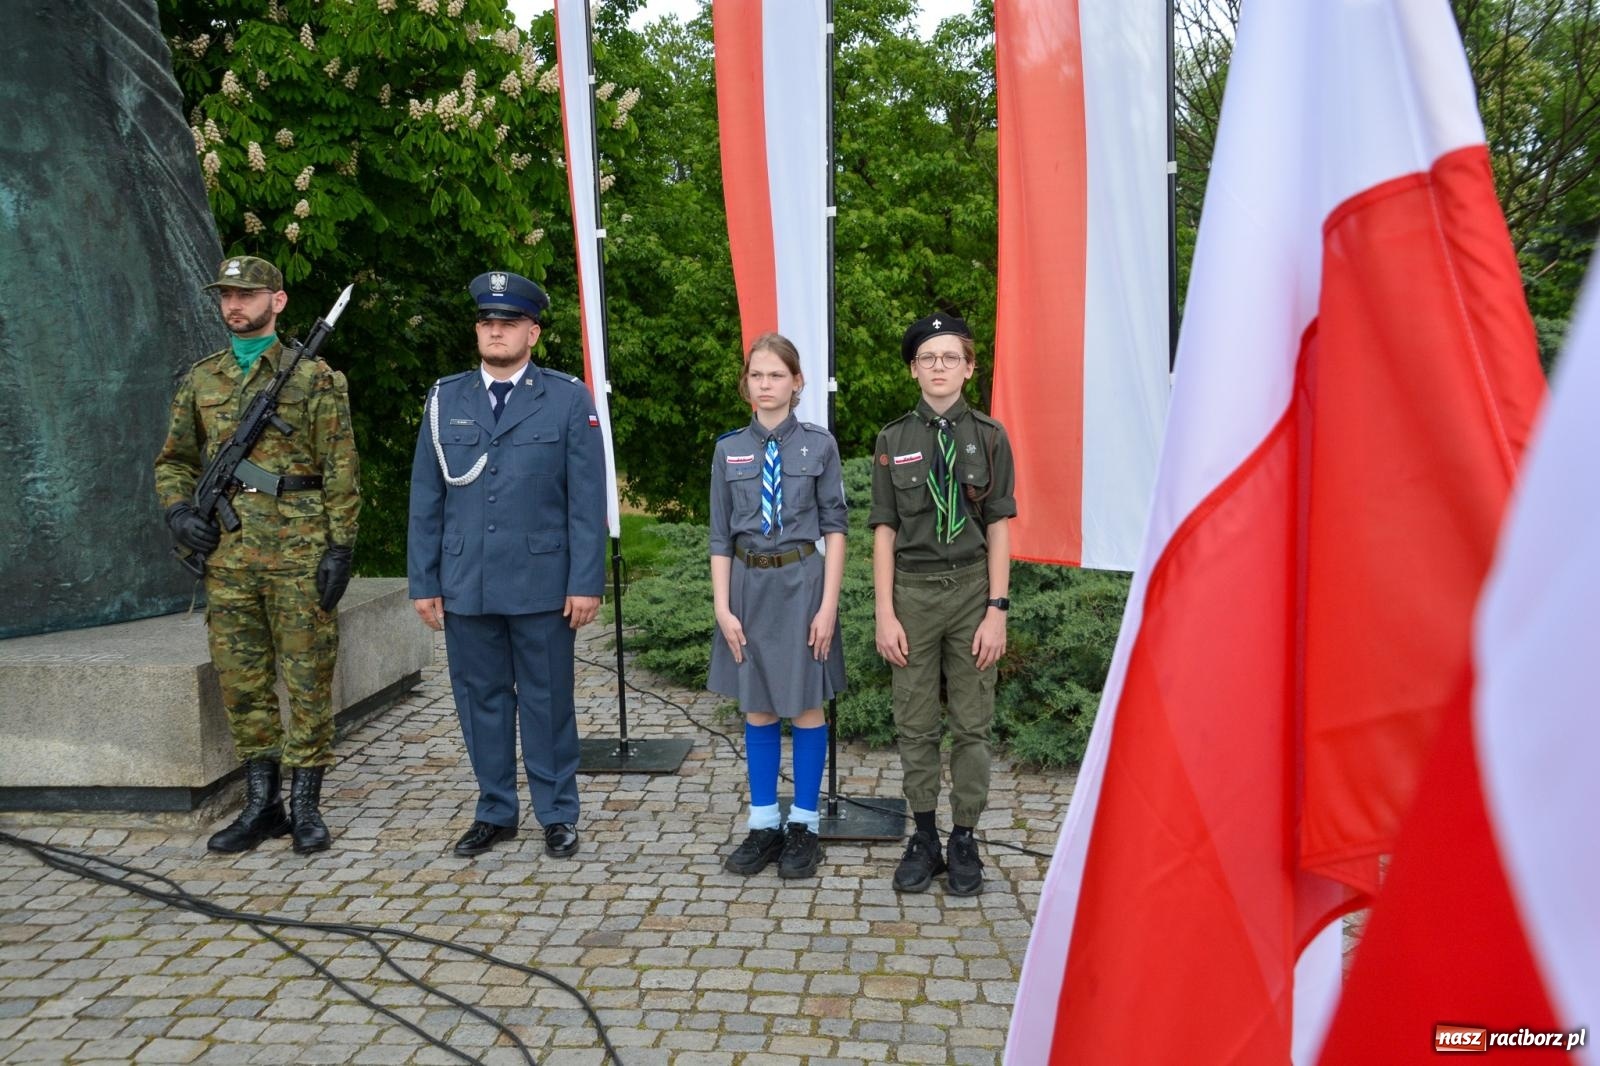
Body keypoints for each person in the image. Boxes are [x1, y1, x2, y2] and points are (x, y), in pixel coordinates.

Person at [154, 254, 361, 856]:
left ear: (278, 301)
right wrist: (179, 512)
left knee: (307, 676)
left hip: (299, 549)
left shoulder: (315, 378)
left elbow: (342, 470)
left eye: (247, 295)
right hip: (228, 556)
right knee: (242, 682)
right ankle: (261, 804)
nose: (234, 306)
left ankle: (306, 805)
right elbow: (174, 461)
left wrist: (341, 547)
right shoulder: (203, 379)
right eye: (226, 296)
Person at [407, 270, 606, 860]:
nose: (497, 332)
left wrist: (585, 581)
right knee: (480, 700)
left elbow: (586, 500)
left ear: (533, 333)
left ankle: (557, 813)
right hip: (467, 582)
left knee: (548, 701)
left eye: (509, 323)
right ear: (477, 331)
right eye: (488, 323)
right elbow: (426, 497)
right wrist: (425, 580)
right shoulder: (446, 399)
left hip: (544, 584)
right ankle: (495, 809)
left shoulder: (567, 398)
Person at [870, 313, 1015, 896]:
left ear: (969, 367)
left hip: (972, 592)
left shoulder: (991, 436)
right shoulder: (892, 439)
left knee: (972, 726)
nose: (938, 367)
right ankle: (924, 833)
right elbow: (883, 528)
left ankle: (964, 838)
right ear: (913, 369)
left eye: (950, 357)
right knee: (915, 723)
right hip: (913, 594)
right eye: (928, 358)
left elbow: (1000, 525)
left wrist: (998, 608)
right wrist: (885, 610)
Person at [709, 333, 847, 880]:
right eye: (756, 376)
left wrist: (828, 605)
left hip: (801, 586)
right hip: (746, 587)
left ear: (797, 382)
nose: (765, 385)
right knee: (758, 707)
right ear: (747, 383)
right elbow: (720, 536)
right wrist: (722, 606)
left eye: (776, 375)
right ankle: (764, 822)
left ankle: (805, 826)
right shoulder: (728, 450)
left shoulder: (819, 445)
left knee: (806, 706)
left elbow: (836, 529)